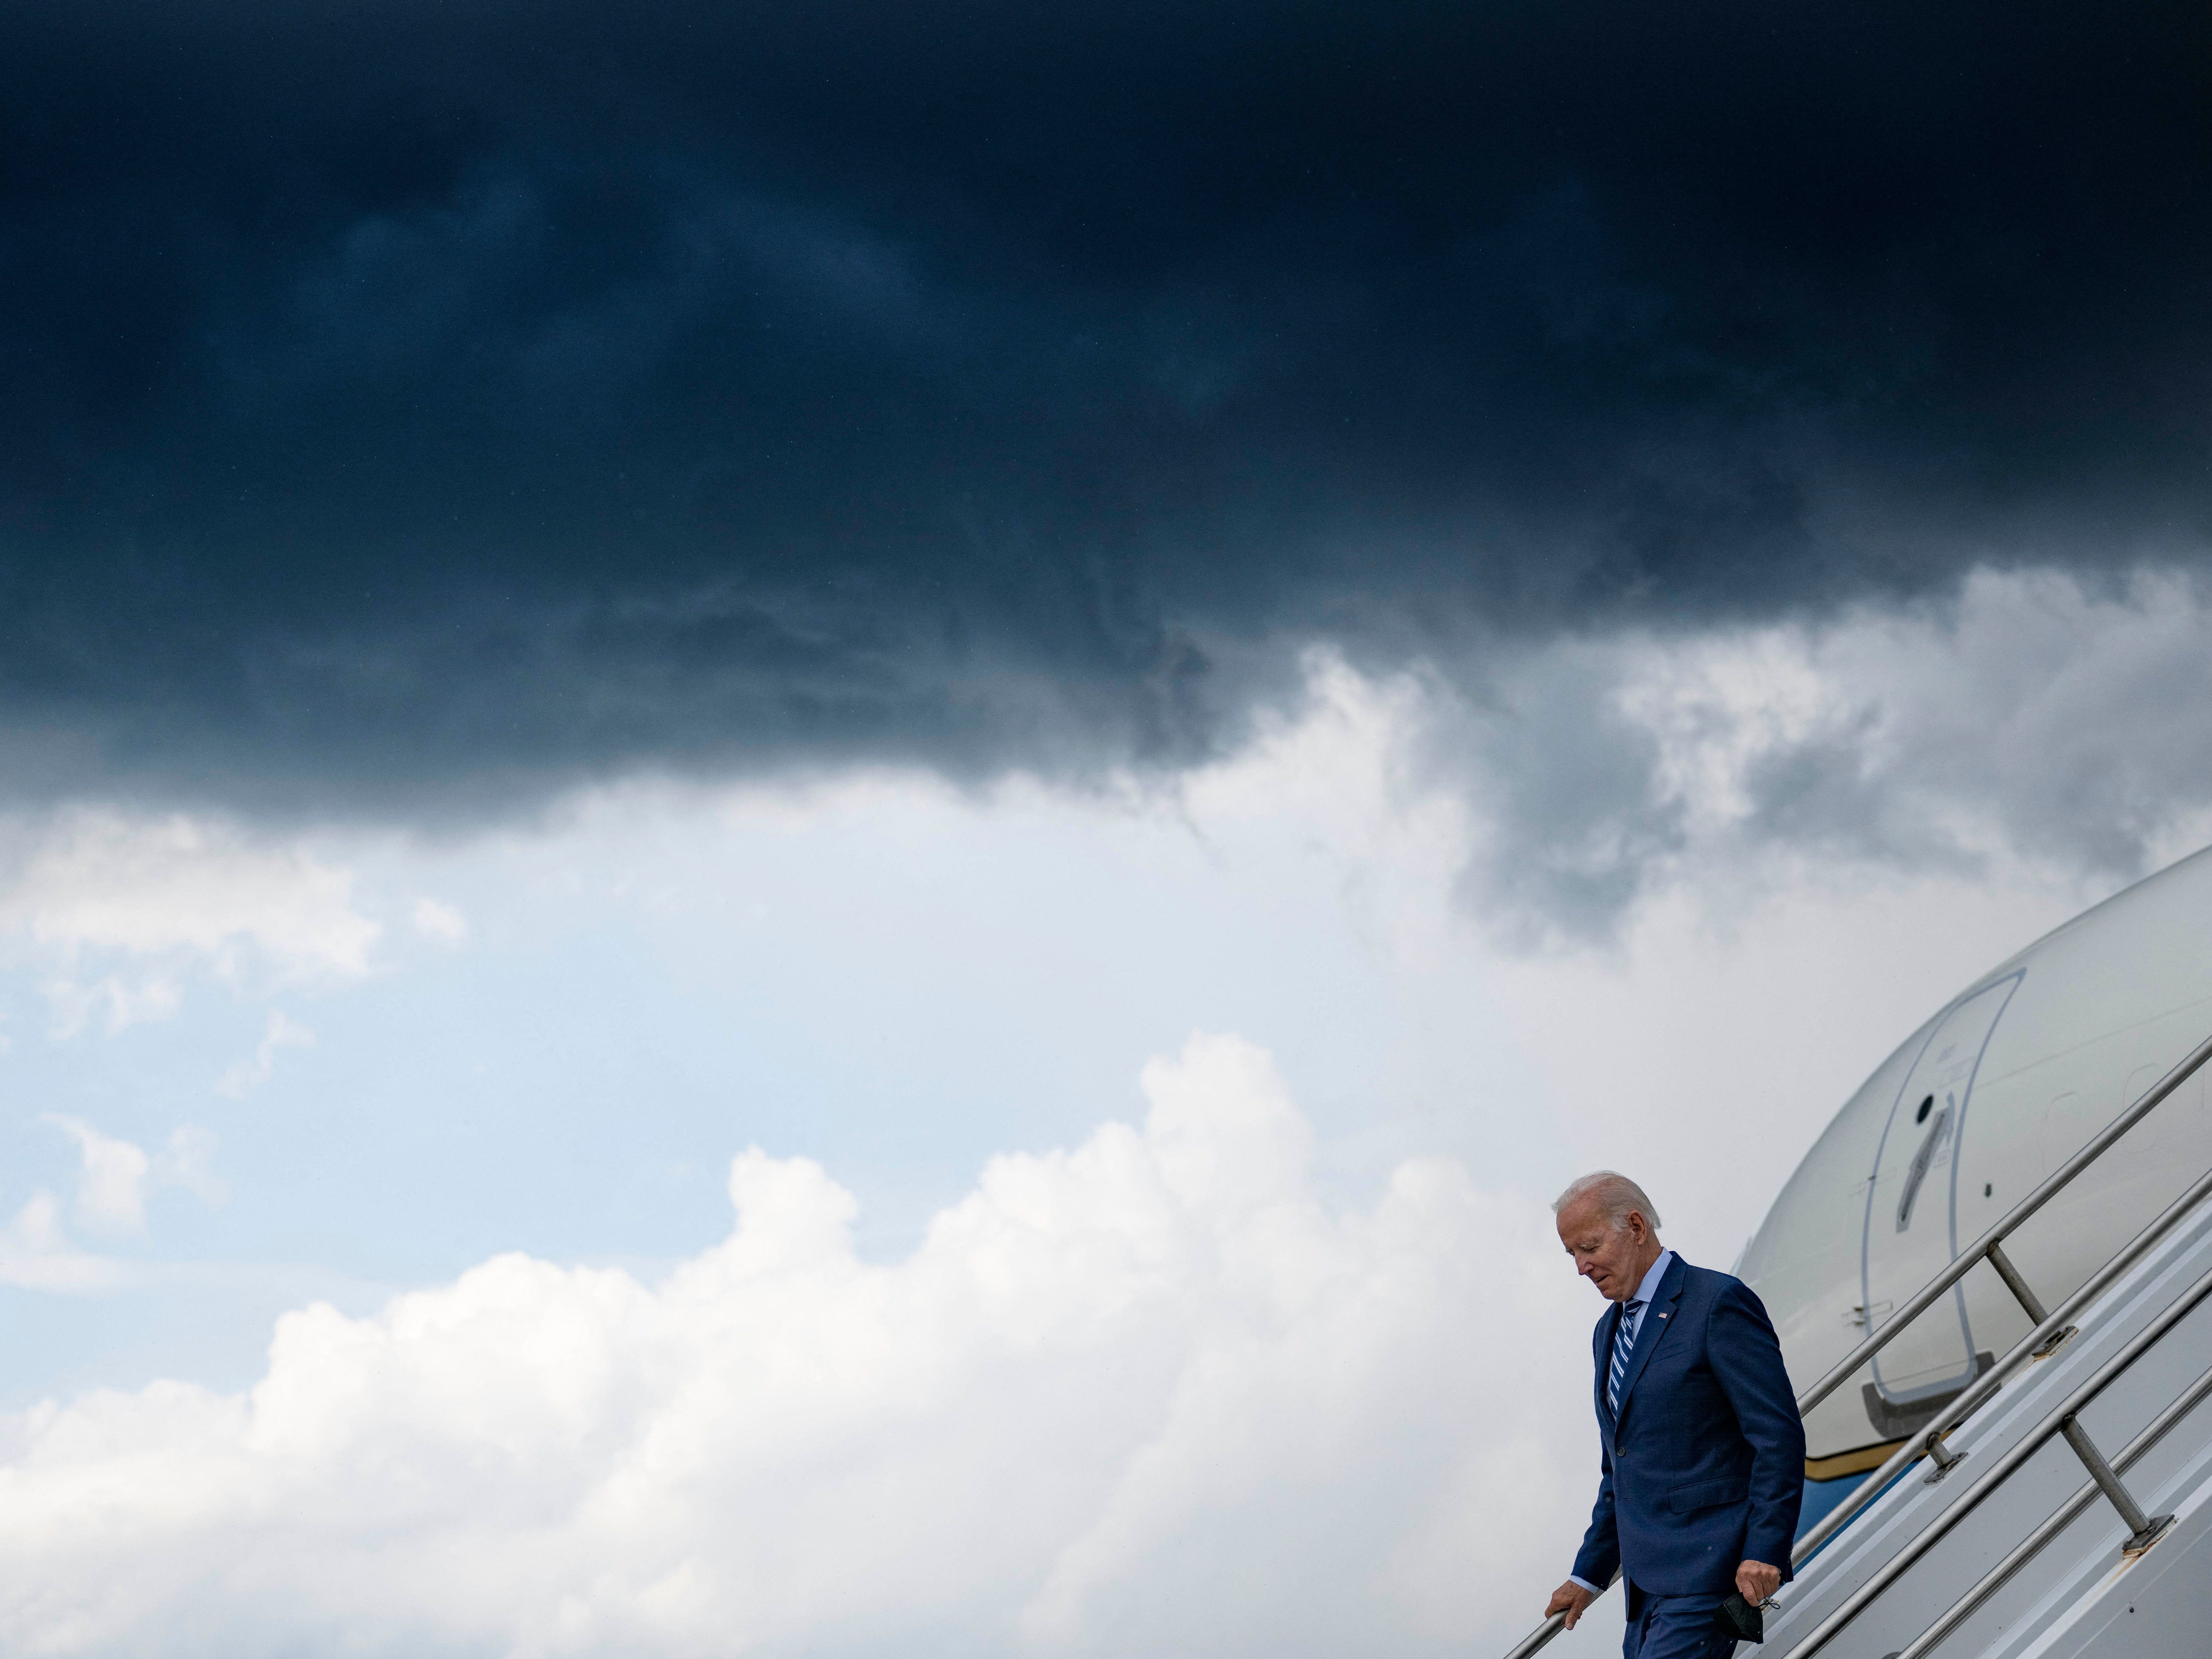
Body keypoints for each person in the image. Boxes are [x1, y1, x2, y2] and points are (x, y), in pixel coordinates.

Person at [1543, 1172, 1805, 1659]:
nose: (1581, 1267)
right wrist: (1588, 1575)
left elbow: (1778, 1437)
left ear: (1636, 1227)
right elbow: (1620, 1468)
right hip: (1645, 1592)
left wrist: (1766, 1550)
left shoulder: (1717, 1302)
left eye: (1590, 1247)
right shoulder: (1607, 1332)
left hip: (1711, 1573)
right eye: (1572, 1254)